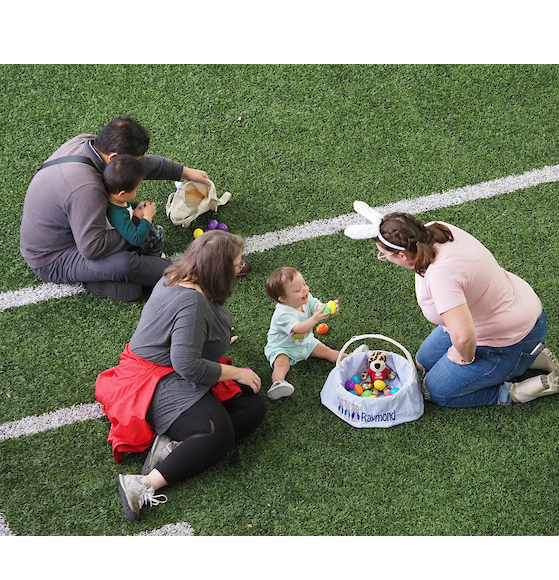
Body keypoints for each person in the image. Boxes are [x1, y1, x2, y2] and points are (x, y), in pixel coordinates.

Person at [95, 230, 266, 521]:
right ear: (219, 270)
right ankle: (143, 483)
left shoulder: (176, 274)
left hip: (169, 369)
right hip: (154, 379)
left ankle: (174, 444)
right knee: (218, 434)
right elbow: (188, 366)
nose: (240, 269)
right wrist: (235, 371)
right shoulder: (193, 303)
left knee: (252, 406)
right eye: (237, 264)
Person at [344, 202, 559, 407]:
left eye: (384, 256)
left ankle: (516, 386)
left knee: (434, 391)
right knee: (423, 362)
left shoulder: (441, 275)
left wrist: (464, 357)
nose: (385, 259)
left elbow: (464, 336)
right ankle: (527, 358)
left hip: (511, 338)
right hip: (509, 308)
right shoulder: (435, 231)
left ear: (402, 255)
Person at [20, 115, 250, 302]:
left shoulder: (90, 144)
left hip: (74, 231)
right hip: (55, 257)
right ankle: (198, 273)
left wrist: (183, 171)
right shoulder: (86, 189)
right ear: (115, 158)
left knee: (132, 290)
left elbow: (139, 166)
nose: (140, 165)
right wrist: (139, 224)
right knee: (125, 264)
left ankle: (108, 279)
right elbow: (92, 247)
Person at [264, 267, 366, 400]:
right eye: (297, 290)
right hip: (283, 347)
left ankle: (351, 358)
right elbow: (298, 329)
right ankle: (278, 382)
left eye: (304, 284)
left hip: (306, 342)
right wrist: (315, 318)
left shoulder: (305, 298)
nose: (305, 289)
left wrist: (327, 308)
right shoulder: (282, 314)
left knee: (327, 352)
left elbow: (316, 306)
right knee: (282, 363)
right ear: (283, 298)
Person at [103, 154, 166, 257]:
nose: (137, 192)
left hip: (127, 231)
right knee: (158, 233)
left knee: (146, 220)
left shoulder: (115, 199)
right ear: (122, 194)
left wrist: (138, 206)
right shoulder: (117, 215)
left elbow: (126, 206)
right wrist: (148, 216)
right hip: (126, 248)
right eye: (136, 190)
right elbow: (135, 239)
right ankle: (155, 258)